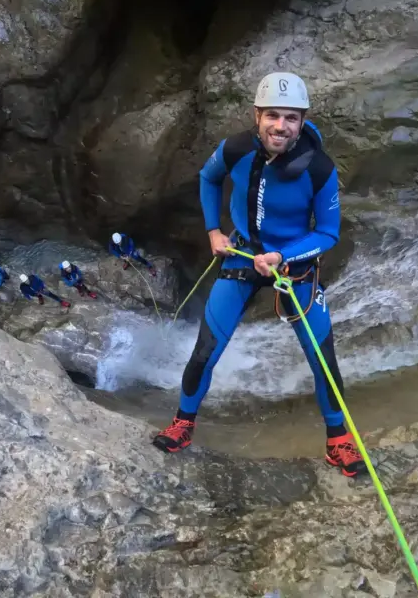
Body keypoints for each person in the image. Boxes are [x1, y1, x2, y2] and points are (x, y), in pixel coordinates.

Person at [151, 72, 367, 478]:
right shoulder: (235, 150)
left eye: (290, 117)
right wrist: (214, 231)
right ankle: (183, 423)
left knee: (323, 358)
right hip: (241, 257)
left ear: (302, 121)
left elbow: (328, 232)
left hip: (295, 267)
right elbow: (208, 177)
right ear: (256, 115)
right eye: (272, 115)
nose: (280, 126)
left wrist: (282, 255)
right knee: (206, 350)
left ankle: (338, 441)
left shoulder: (319, 169)